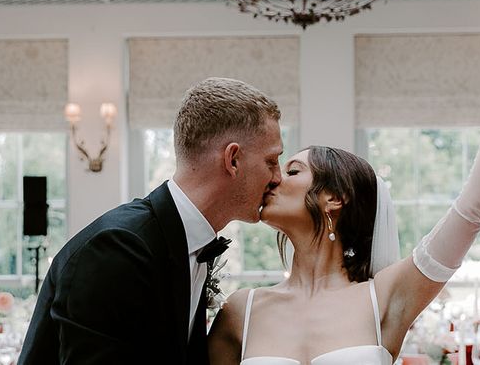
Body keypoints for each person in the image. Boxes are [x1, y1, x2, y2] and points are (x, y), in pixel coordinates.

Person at [208, 6, 480, 365]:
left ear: (334, 199)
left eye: (294, 170)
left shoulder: (385, 297)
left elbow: (473, 207)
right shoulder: (241, 311)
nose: (274, 178)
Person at [19, 77, 284, 365]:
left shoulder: (188, 244)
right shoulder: (117, 249)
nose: (278, 177)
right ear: (232, 160)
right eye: (271, 161)